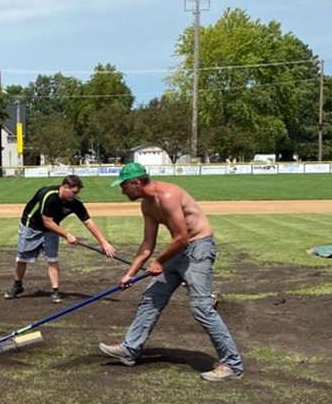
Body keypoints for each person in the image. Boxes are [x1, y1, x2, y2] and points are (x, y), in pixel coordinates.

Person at [97, 162, 243, 381]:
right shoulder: (146, 205)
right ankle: (130, 349)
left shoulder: (167, 195)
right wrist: (130, 273)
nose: (122, 190)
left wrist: (159, 262)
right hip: (180, 250)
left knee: (201, 307)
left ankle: (232, 364)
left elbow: (182, 236)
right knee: (152, 297)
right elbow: (148, 242)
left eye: (124, 185)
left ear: (136, 183)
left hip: (199, 247)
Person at [6, 175, 117, 303]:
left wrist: (104, 243)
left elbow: (88, 222)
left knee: (52, 259)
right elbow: (47, 221)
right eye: (74, 192)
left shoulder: (74, 202)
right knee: (23, 258)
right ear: (65, 188)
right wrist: (67, 235)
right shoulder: (48, 195)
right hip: (31, 227)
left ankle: (55, 291)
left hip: (52, 229)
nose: (75, 195)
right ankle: (17, 285)